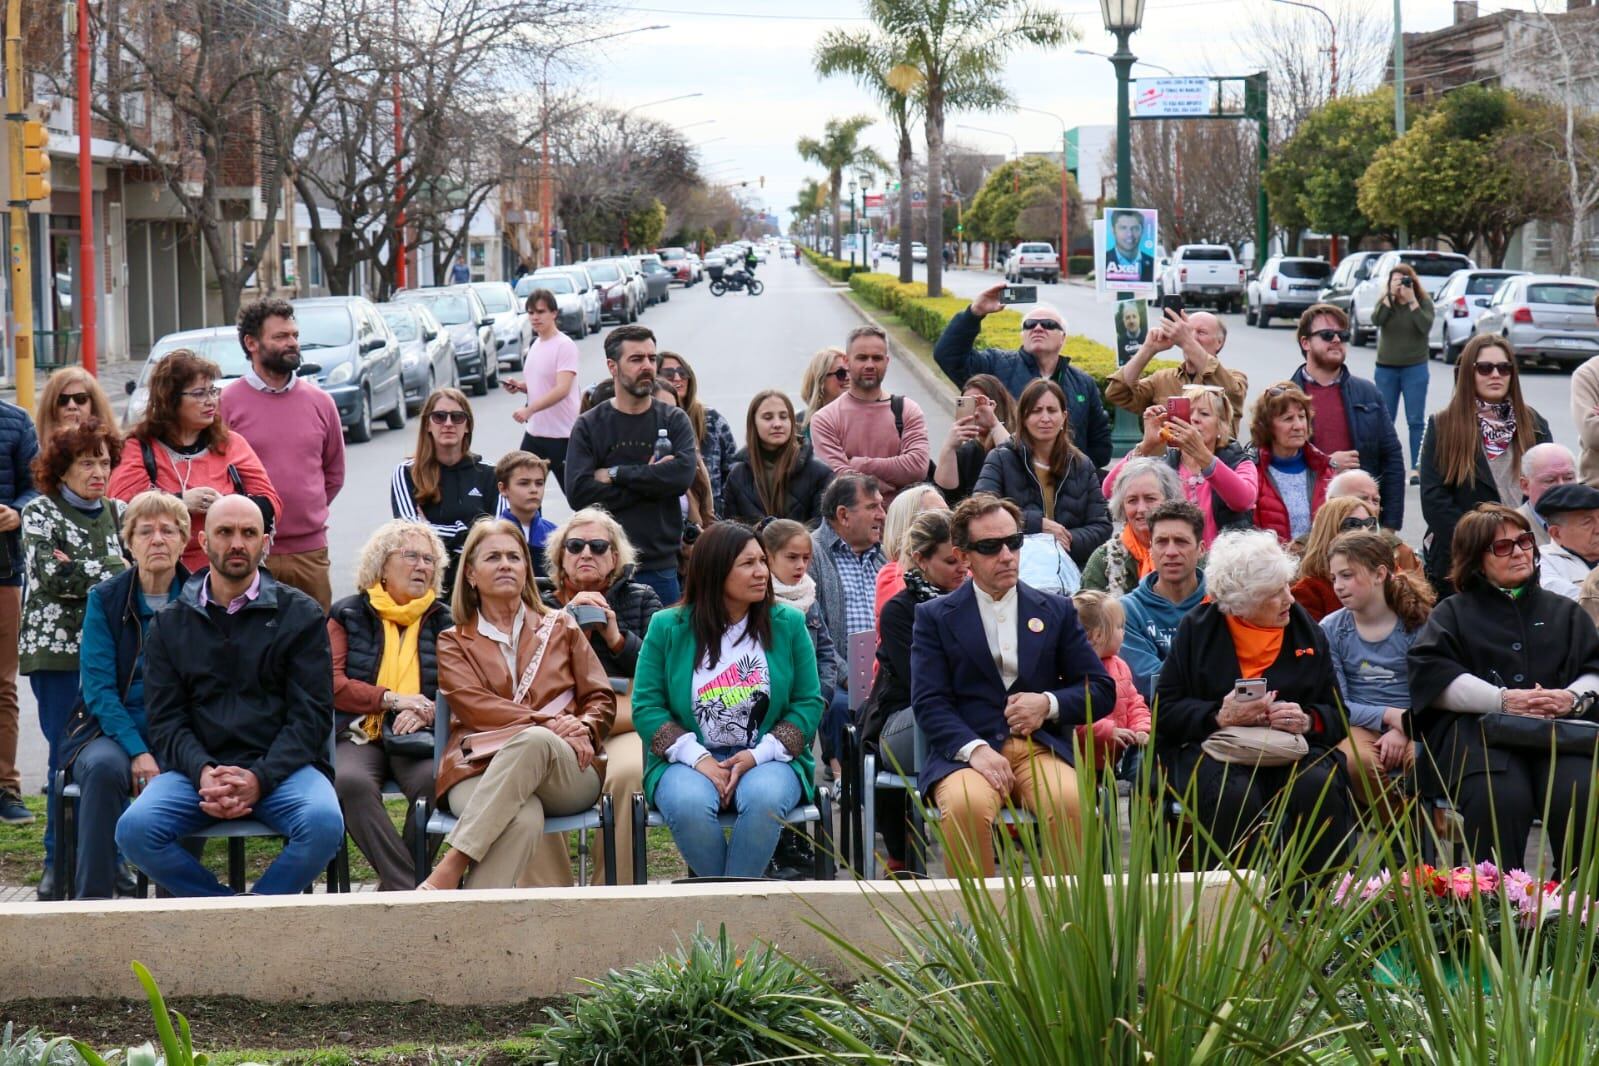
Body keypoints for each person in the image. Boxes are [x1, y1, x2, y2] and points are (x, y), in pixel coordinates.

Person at [115, 496, 343, 896]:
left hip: (281, 772)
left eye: (249, 533)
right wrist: (203, 772)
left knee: (324, 824)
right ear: (203, 542)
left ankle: (252, 915)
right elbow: (166, 721)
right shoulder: (170, 623)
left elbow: (312, 718)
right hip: (197, 775)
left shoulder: (300, 616)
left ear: (266, 543)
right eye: (225, 532)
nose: (237, 543)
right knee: (135, 830)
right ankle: (224, 911)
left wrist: (259, 778)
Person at [910, 494, 1115, 877]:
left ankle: (1070, 929)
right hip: (968, 753)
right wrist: (974, 750)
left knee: (1072, 802)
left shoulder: (1056, 609)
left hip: (1040, 750)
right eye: (990, 547)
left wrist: (1048, 703)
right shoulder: (934, 617)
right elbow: (929, 702)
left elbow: (1100, 688)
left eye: (1014, 542)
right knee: (966, 806)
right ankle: (974, 931)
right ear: (964, 555)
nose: (1006, 555)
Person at [424, 519, 616, 890]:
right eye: (493, 557)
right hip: (477, 765)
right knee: (524, 818)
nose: (506, 564)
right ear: (471, 575)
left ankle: (450, 867)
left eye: (514, 557)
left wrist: (586, 726)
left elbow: (600, 697)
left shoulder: (560, 626)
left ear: (526, 569)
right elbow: (475, 708)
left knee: (535, 742)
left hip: (566, 766)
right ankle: (473, 931)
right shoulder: (453, 640)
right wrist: (548, 722)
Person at [1409, 504, 1599, 876]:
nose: (1519, 552)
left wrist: (1572, 698)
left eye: (1525, 541)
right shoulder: (1452, 614)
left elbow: (1594, 667)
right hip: (1478, 736)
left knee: (1578, 793)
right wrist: (1503, 701)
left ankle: (1576, 908)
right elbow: (1433, 677)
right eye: (1502, 547)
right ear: (1476, 559)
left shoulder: (1565, 611)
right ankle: (1497, 910)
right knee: (1499, 799)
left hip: (1563, 733)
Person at [633, 522, 825, 879]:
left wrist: (759, 754)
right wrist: (698, 757)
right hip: (688, 760)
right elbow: (646, 706)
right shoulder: (666, 626)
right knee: (689, 804)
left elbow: (808, 702)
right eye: (747, 563)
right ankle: (734, 909)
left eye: (762, 561)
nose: (761, 573)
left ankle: (725, 917)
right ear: (715, 570)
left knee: (764, 799)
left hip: (768, 758)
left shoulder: (788, 624)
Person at [1154, 529, 1351, 875]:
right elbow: (1164, 713)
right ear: (1240, 603)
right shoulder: (1197, 631)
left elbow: (1337, 715)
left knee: (1317, 787)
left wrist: (1306, 720)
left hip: (1290, 750)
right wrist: (1218, 715)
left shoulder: (1306, 631)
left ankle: (1317, 907)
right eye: (1275, 595)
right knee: (1233, 796)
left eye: (1287, 586)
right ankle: (1231, 910)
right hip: (1216, 749)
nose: (1289, 599)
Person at [523, 508, 664, 888]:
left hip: (622, 721)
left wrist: (616, 637)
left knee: (630, 774)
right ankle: (548, 900)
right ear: (560, 558)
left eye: (599, 546)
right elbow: (526, 674)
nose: (587, 553)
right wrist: (564, 627)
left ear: (615, 557)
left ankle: (614, 893)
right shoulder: (538, 604)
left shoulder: (640, 598)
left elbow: (662, 668)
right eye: (575, 546)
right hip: (556, 721)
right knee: (528, 771)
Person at [21, 419, 129, 898]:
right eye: (86, 462)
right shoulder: (39, 514)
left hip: (110, 654)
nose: (98, 471)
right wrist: (114, 568)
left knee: (114, 760)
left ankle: (115, 860)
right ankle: (58, 865)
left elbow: (137, 573)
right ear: (61, 469)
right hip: (58, 656)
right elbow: (52, 577)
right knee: (63, 762)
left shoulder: (121, 511)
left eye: (104, 461)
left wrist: (84, 569)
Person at [71, 491, 189, 899]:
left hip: (181, 730)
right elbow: (100, 691)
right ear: (129, 542)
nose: (157, 539)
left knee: (191, 768)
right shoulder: (104, 599)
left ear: (184, 540)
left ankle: (181, 904)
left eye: (168, 530)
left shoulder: (201, 599)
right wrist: (138, 750)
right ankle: (94, 906)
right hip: (113, 731)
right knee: (103, 769)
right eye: (145, 531)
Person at [327, 520, 452, 892]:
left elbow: (458, 684)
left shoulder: (444, 618)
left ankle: (400, 888)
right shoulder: (347, 613)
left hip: (419, 730)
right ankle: (408, 886)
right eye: (410, 555)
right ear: (382, 565)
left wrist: (427, 707)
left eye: (430, 560)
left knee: (437, 783)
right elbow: (330, 683)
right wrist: (390, 699)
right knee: (349, 781)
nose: (422, 566)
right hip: (362, 730)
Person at [221, 298, 346, 611]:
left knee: (314, 645)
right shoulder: (227, 404)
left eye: (294, 335)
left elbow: (333, 474)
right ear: (252, 343)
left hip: (310, 553)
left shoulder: (321, 403)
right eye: (280, 337)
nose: (292, 343)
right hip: (248, 553)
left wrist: (306, 515)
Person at [108, 348, 281, 574]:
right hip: (164, 577)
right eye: (199, 393)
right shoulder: (138, 447)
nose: (211, 401)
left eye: (213, 391)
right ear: (169, 400)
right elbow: (122, 509)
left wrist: (226, 506)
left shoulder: (230, 444)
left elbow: (271, 504)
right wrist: (180, 502)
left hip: (228, 573)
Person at [858, 510, 965, 871]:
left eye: (965, 557)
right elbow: (923, 683)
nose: (962, 568)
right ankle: (903, 856)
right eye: (951, 560)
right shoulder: (900, 611)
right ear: (921, 559)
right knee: (929, 718)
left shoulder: (978, 600)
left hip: (965, 712)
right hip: (905, 714)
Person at [566, 325, 698, 606]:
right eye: (637, 359)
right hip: (604, 573)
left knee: (665, 650)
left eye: (651, 358)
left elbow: (680, 478)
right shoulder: (589, 425)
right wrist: (653, 482)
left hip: (660, 567)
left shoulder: (673, 419)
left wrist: (617, 474)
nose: (648, 366)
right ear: (612, 367)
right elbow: (579, 494)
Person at [1418, 335, 1552, 596]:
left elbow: (1549, 490)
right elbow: (1434, 500)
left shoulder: (1533, 423)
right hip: (1464, 558)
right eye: (1484, 368)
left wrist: (1518, 545)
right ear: (1469, 372)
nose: (1495, 374)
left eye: (1504, 368)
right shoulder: (1443, 425)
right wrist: (1480, 546)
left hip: (1523, 554)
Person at [934, 285, 1112, 468]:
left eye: (1048, 325)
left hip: (1065, 486)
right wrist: (975, 312)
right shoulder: (995, 365)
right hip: (1004, 481)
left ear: (1063, 338)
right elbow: (948, 357)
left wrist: (1071, 471)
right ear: (1023, 335)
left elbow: (1101, 447)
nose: (1038, 328)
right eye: (1030, 325)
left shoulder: (1083, 383)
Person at [1321, 529, 1434, 814]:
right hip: (1358, 723)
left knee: (1423, 761)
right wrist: (1388, 716)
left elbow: (1431, 690)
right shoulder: (1332, 629)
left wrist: (1403, 727)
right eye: (1334, 578)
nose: (1338, 586)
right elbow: (1338, 704)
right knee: (1357, 763)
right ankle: (1409, 836)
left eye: (1347, 575)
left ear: (1379, 573)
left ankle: (1416, 837)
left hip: (1416, 720)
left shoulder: (1417, 623)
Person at [1289, 304, 1406, 531]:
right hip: (1308, 524)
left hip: (1363, 523)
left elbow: (1391, 458)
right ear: (1306, 343)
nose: (1336, 340)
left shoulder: (1368, 393)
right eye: (1326, 335)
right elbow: (1274, 462)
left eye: (1342, 335)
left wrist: (1390, 525)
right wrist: (1327, 463)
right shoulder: (1286, 396)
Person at [973, 379, 1111, 569]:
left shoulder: (1081, 464)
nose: (1045, 418)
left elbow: (1102, 527)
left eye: (1052, 410)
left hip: (1071, 568)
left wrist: (1063, 539)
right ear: (1023, 417)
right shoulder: (1001, 458)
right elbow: (981, 508)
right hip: (1016, 566)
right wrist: (1037, 525)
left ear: (1064, 417)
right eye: (1036, 411)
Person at [1107, 385, 1256, 549]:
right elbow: (1110, 491)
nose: (1194, 419)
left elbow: (1244, 500)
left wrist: (1201, 453)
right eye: (1188, 413)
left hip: (1222, 564)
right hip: (1171, 563)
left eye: (1204, 414)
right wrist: (1146, 445)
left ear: (1221, 426)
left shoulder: (1238, 462)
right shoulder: (1165, 467)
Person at [809, 474, 886, 779]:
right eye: (872, 507)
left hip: (883, 672)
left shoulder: (883, 554)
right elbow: (814, 633)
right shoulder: (812, 553)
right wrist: (850, 677)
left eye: (881, 505)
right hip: (833, 671)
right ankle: (846, 781)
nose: (882, 513)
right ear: (843, 515)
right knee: (840, 705)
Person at [389, 387, 500, 598]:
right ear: (428, 425)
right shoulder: (405, 473)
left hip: (479, 583)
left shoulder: (491, 473)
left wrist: (432, 529)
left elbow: (497, 534)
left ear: (467, 426)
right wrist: (469, 532)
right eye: (439, 417)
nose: (448, 423)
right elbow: (412, 535)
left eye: (457, 417)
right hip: (430, 582)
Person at [808, 325, 931, 507]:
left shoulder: (907, 410)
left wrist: (859, 464)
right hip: (850, 529)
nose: (870, 365)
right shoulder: (825, 419)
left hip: (902, 525)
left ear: (887, 361)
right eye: (862, 358)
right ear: (847, 361)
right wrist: (877, 484)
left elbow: (918, 467)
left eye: (877, 358)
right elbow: (839, 479)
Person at [1106, 308, 1248, 434]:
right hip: (1167, 463)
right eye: (1188, 331)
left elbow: (1230, 392)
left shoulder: (1235, 378)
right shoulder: (1162, 379)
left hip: (1214, 463)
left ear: (1219, 342)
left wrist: (1187, 340)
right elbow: (1118, 393)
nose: (1192, 337)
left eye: (1201, 332)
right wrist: (1148, 349)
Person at [1119, 500, 1209, 698]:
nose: (1170, 552)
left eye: (1181, 541)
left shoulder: (1221, 604)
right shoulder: (1128, 611)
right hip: (1152, 723)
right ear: (1151, 549)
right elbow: (1150, 686)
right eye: (1161, 542)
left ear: (1201, 549)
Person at [0, 395, 38, 825]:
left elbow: (37, 485)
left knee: (3, 684)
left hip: (4, 571)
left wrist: (16, 511)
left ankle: (6, 788)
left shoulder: (15, 421)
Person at [504, 287, 579, 492]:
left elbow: (562, 388)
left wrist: (529, 410)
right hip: (535, 434)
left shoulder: (565, 345)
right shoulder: (536, 344)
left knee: (577, 496)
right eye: (531, 312)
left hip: (562, 436)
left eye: (541, 311)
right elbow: (540, 384)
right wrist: (520, 386)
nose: (535, 317)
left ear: (554, 313)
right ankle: (527, 525)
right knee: (521, 493)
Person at [722, 390, 834, 526]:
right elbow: (731, 533)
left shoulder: (820, 473)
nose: (777, 424)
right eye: (768, 417)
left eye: (783, 416)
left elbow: (822, 530)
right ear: (753, 424)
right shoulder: (737, 476)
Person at [1070, 591, 1151, 772]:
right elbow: (1071, 719)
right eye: (1119, 626)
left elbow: (1134, 702)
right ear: (1098, 635)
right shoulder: (1070, 671)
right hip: (1076, 764)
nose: (1124, 632)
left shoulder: (1120, 666)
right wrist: (1108, 731)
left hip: (1109, 762)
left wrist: (1141, 727)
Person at [1080, 457, 1182, 595]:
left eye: (1150, 499)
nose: (1141, 509)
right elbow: (1089, 614)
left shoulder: (1188, 553)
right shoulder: (1102, 561)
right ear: (1122, 506)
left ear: (1170, 501)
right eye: (1132, 500)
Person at [1372, 263, 1434, 479]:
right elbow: (1376, 320)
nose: (1400, 285)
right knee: (1385, 418)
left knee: (1415, 419)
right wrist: (1389, 298)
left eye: (1404, 280)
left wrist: (1412, 301)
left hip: (1414, 368)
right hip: (1386, 369)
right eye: (1396, 280)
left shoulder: (1422, 302)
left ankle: (1416, 467)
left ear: (1413, 282)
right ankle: (1384, 464)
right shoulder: (1386, 303)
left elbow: (1425, 326)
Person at [1250, 382, 1332, 544]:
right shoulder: (1253, 471)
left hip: (1317, 565)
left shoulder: (1324, 469)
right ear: (1267, 427)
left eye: (1302, 417)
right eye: (1288, 419)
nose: (1298, 426)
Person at [658, 352, 738, 517]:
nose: (678, 378)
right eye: (668, 373)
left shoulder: (711, 420)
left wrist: (720, 512)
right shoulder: (651, 422)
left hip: (713, 521)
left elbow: (733, 471)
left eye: (683, 372)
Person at [1290, 496, 1382, 622]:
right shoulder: (1308, 591)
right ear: (1329, 531)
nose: (1364, 531)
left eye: (1370, 523)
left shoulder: (1388, 571)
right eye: (1352, 525)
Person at [932, 374, 1014, 507]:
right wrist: (948, 449)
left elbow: (1015, 463)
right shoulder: (966, 452)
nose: (976, 413)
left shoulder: (1018, 438)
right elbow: (944, 497)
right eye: (969, 405)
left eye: (980, 404)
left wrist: (994, 424)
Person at [874, 482, 946, 620]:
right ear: (908, 524)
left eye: (948, 513)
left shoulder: (962, 569)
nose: (948, 521)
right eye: (936, 516)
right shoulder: (891, 576)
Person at [495, 451, 556, 579]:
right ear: (503, 489)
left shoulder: (555, 534)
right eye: (524, 483)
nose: (534, 490)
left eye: (539, 483)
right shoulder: (490, 535)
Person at [1535, 483, 1599, 601]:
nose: (1598, 529)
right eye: (1587, 522)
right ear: (1556, 533)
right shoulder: (1542, 561)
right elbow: (1576, 603)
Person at [37, 366, 120, 445]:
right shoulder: (35, 452)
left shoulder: (115, 450)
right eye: (62, 400)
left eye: (81, 398)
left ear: (94, 404)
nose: (71, 406)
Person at [1516, 442, 1577, 546]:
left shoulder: (1593, 519)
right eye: (1550, 480)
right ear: (1525, 485)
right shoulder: (1512, 528)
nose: (1561, 487)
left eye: (1569, 478)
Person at [797, 346, 848, 443]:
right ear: (821, 381)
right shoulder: (799, 424)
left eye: (852, 371)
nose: (849, 377)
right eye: (841, 373)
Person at [1102, 209, 1155, 283]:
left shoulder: (1152, 263)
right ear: (1113, 230)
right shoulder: (1103, 261)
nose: (1130, 234)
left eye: (1135, 228)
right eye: (1123, 228)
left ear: (1142, 230)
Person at [1114, 301, 1147, 365]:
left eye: (1134, 316)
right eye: (1127, 317)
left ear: (1139, 318)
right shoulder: (1119, 342)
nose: (1131, 321)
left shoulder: (1148, 338)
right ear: (1124, 321)